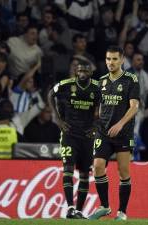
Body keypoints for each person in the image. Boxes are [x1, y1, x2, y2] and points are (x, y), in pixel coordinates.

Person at [89, 46, 139, 221]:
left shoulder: (131, 80)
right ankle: (104, 206)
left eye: (115, 59)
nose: (111, 62)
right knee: (98, 166)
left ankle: (122, 212)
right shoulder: (101, 81)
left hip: (123, 133)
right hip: (103, 132)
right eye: (108, 59)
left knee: (123, 171)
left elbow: (134, 107)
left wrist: (120, 123)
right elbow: (100, 106)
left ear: (122, 59)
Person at [48, 60, 100, 219]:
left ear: (90, 73)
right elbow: (51, 94)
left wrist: (96, 125)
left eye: (85, 71)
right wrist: (57, 118)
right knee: (68, 169)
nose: (82, 74)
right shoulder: (65, 84)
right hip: (70, 133)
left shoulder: (97, 88)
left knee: (85, 174)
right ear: (76, 72)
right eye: (80, 71)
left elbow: (107, 106)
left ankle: (78, 211)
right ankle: (70, 207)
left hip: (87, 136)